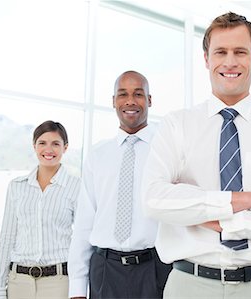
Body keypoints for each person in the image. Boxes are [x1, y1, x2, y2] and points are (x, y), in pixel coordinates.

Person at [142, 12, 251, 298]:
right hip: (189, 284)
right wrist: (248, 200)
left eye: (240, 52)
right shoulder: (176, 125)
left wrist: (214, 220)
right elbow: (154, 199)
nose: (230, 62)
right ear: (206, 59)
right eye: (220, 52)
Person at [68, 71, 172, 299]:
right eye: (122, 94)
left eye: (138, 94)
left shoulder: (167, 150)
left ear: (150, 100)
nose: (130, 101)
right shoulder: (98, 155)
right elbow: (84, 222)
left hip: (155, 268)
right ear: (113, 101)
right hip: (105, 270)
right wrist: (77, 287)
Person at [0, 121, 80, 299]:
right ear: (34, 146)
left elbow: (82, 241)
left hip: (59, 282)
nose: (49, 149)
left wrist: (79, 288)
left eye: (56, 143)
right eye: (42, 143)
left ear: (65, 148)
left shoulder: (76, 187)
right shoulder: (16, 187)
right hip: (18, 282)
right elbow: (7, 240)